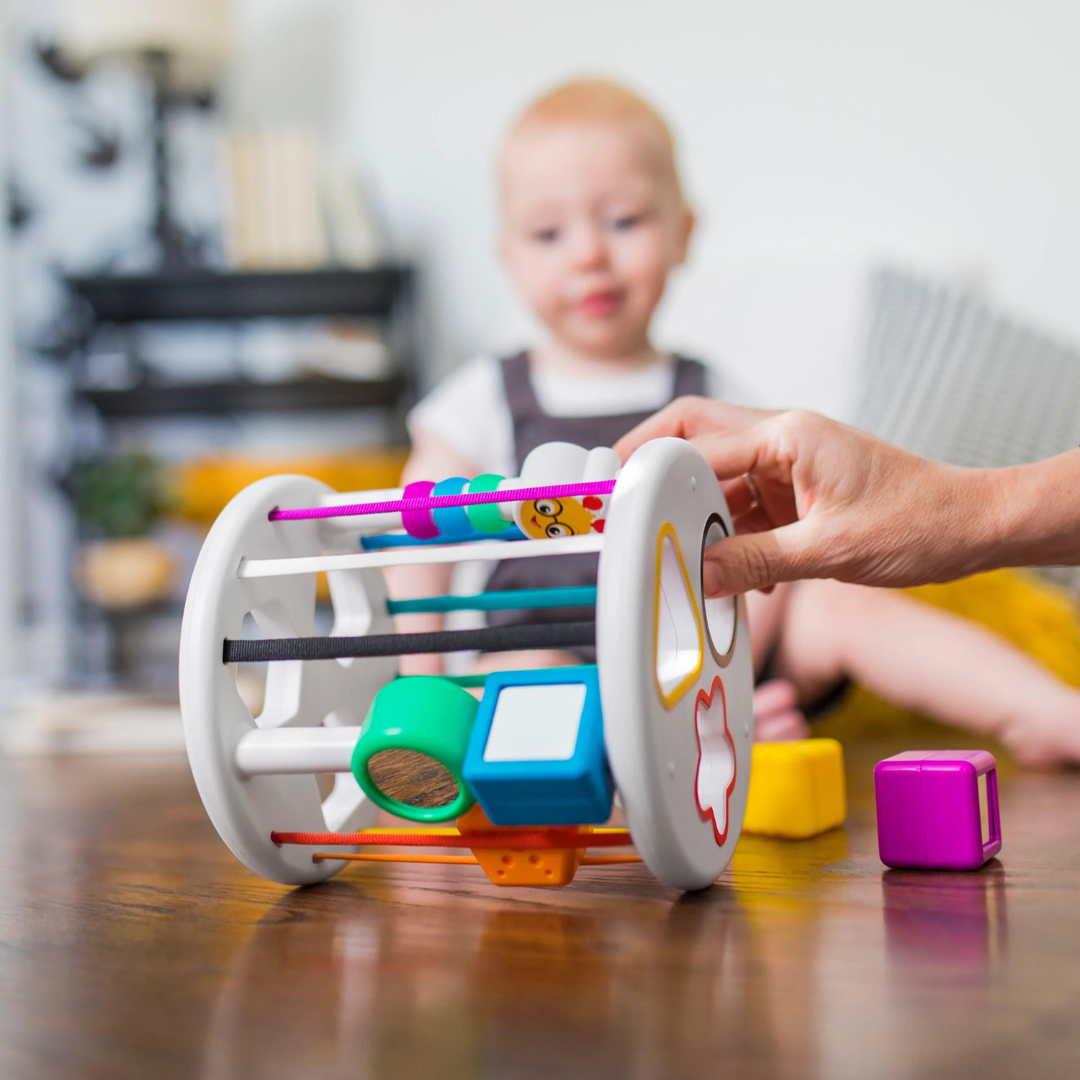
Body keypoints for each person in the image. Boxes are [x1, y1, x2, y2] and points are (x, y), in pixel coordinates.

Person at [391, 77, 1080, 766]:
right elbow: (419, 532)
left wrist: (732, 670)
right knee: (530, 683)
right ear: (510, 256)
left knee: (841, 603)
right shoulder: (484, 394)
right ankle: (645, 754)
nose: (588, 255)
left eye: (624, 221)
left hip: (713, 642)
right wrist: (418, 678)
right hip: (556, 641)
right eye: (548, 232)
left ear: (683, 235)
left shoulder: (708, 393)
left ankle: (1040, 711)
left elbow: (776, 532)